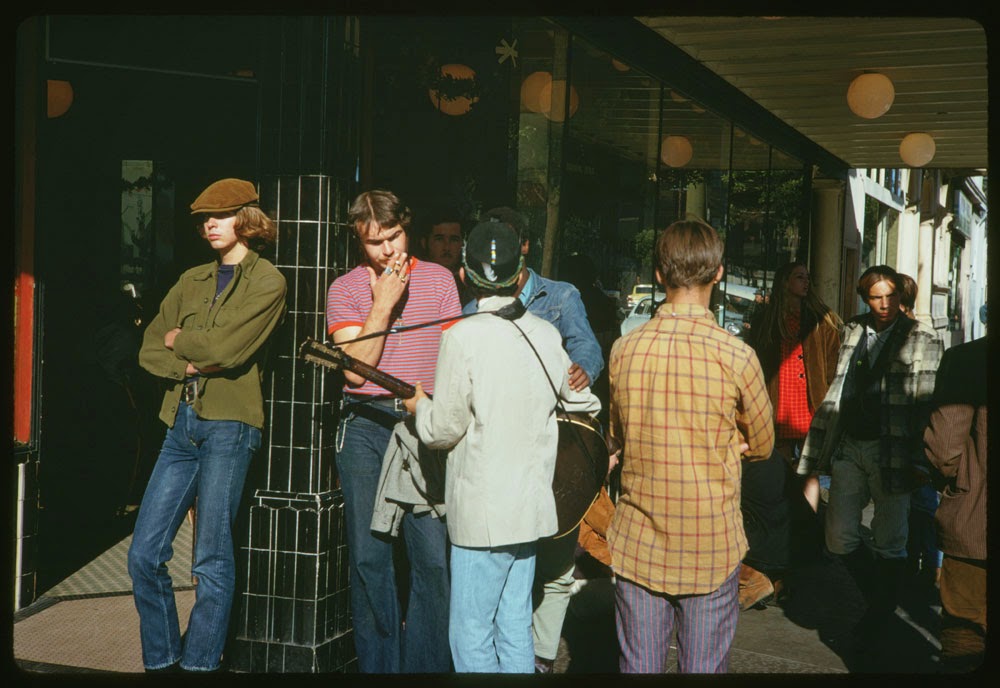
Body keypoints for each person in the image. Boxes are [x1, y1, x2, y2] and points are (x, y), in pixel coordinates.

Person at [404, 220, 602, 672]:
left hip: (482, 514)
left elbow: (442, 431)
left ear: (463, 276)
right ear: (520, 275)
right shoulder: (547, 334)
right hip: (531, 509)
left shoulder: (461, 336)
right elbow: (582, 399)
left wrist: (418, 405)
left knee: (471, 633)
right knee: (514, 625)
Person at [129, 178, 287, 672]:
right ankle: (162, 662)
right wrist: (190, 362)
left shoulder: (269, 281)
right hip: (180, 421)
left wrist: (186, 341)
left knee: (211, 558)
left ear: (247, 218)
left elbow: (228, 350)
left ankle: (198, 666)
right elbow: (150, 348)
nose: (209, 225)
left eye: (219, 215)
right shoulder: (190, 280)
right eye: (203, 218)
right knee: (142, 556)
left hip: (230, 426)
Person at [607, 219, 774, 673]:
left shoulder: (625, 349)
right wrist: (728, 442)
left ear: (659, 275)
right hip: (711, 541)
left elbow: (617, 436)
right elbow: (762, 443)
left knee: (638, 667)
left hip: (638, 540)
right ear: (718, 274)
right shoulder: (737, 356)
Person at [325, 189, 460, 673]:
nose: (387, 251)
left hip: (421, 422)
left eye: (394, 236)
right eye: (374, 242)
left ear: (408, 227)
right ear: (359, 243)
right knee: (370, 558)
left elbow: (453, 364)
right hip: (366, 425)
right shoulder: (345, 288)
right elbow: (356, 373)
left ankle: (425, 666)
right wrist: (383, 303)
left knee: (432, 558)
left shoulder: (441, 279)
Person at [465, 206, 604, 673]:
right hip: (500, 451)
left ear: (523, 246)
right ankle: (515, 652)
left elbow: (586, 346)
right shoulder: (470, 308)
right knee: (512, 562)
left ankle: (541, 655)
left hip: (557, 443)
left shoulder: (560, 296)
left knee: (557, 558)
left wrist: (582, 370)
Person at [796, 265, 942, 667]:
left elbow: (926, 403)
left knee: (890, 540)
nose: (884, 304)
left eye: (890, 296)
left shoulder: (923, 338)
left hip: (893, 450)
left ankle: (876, 620)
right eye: (876, 297)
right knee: (839, 536)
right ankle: (881, 603)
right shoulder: (854, 329)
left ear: (901, 295)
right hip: (850, 445)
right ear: (865, 297)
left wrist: (920, 459)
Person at [740, 261, 842, 609]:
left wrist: (829, 394)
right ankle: (778, 546)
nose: (805, 282)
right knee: (778, 475)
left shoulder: (823, 316)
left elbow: (832, 358)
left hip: (810, 401)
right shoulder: (768, 315)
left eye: (807, 277)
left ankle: (806, 534)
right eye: (798, 276)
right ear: (785, 280)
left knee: (810, 471)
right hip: (778, 401)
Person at [923, 336, 987, 672]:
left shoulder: (969, 358)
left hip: (976, 520)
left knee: (965, 632)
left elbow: (945, 447)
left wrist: (955, 482)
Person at [896, 272, 942, 592]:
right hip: (895, 434)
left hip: (916, 434)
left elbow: (927, 395)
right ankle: (913, 560)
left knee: (925, 504)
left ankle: (933, 568)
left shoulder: (924, 336)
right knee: (910, 505)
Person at [420, 205, 475, 306]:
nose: (447, 247)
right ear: (424, 243)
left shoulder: (472, 285)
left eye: (454, 240)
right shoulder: (416, 282)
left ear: (462, 244)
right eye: (439, 239)